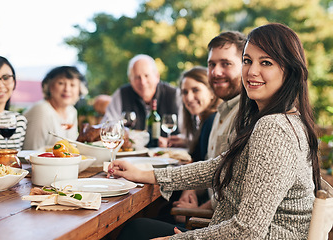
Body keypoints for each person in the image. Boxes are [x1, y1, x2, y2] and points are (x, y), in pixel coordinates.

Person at [108, 23, 321, 239]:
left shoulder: (274, 128)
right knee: (137, 228)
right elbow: (219, 167)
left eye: (266, 62)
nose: (251, 71)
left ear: (290, 71)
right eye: (247, 61)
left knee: (134, 230)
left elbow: (247, 231)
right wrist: (145, 175)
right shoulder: (281, 119)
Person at [171, 31, 246, 218]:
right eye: (211, 64)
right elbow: (208, 168)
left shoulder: (247, 116)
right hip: (209, 218)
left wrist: (194, 212)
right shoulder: (221, 114)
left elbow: (235, 198)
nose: (216, 71)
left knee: (134, 228)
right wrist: (190, 191)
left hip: (215, 226)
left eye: (226, 63)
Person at [157, 66, 222, 224]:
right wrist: (188, 141)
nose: (189, 97)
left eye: (195, 90)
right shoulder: (204, 122)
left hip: (204, 211)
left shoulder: (212, 121)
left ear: (211, 91)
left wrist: (193, 206)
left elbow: (211, 171)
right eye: (185, 92)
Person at [101, 54, 180, 133]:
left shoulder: (175, 95)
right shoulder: (121, 94)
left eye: (146, 76)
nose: (142, 82)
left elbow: (187, 133)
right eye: (137, 77)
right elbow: (107, 127)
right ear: (130, 80)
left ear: (157, 76)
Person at [23, 66, 88, 150]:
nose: (67, 89)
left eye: (72, 85)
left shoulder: (72, 111)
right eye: (61, 83)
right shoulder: (41, 110)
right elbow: (31, 152)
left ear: (80, 89)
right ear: (49, 86)